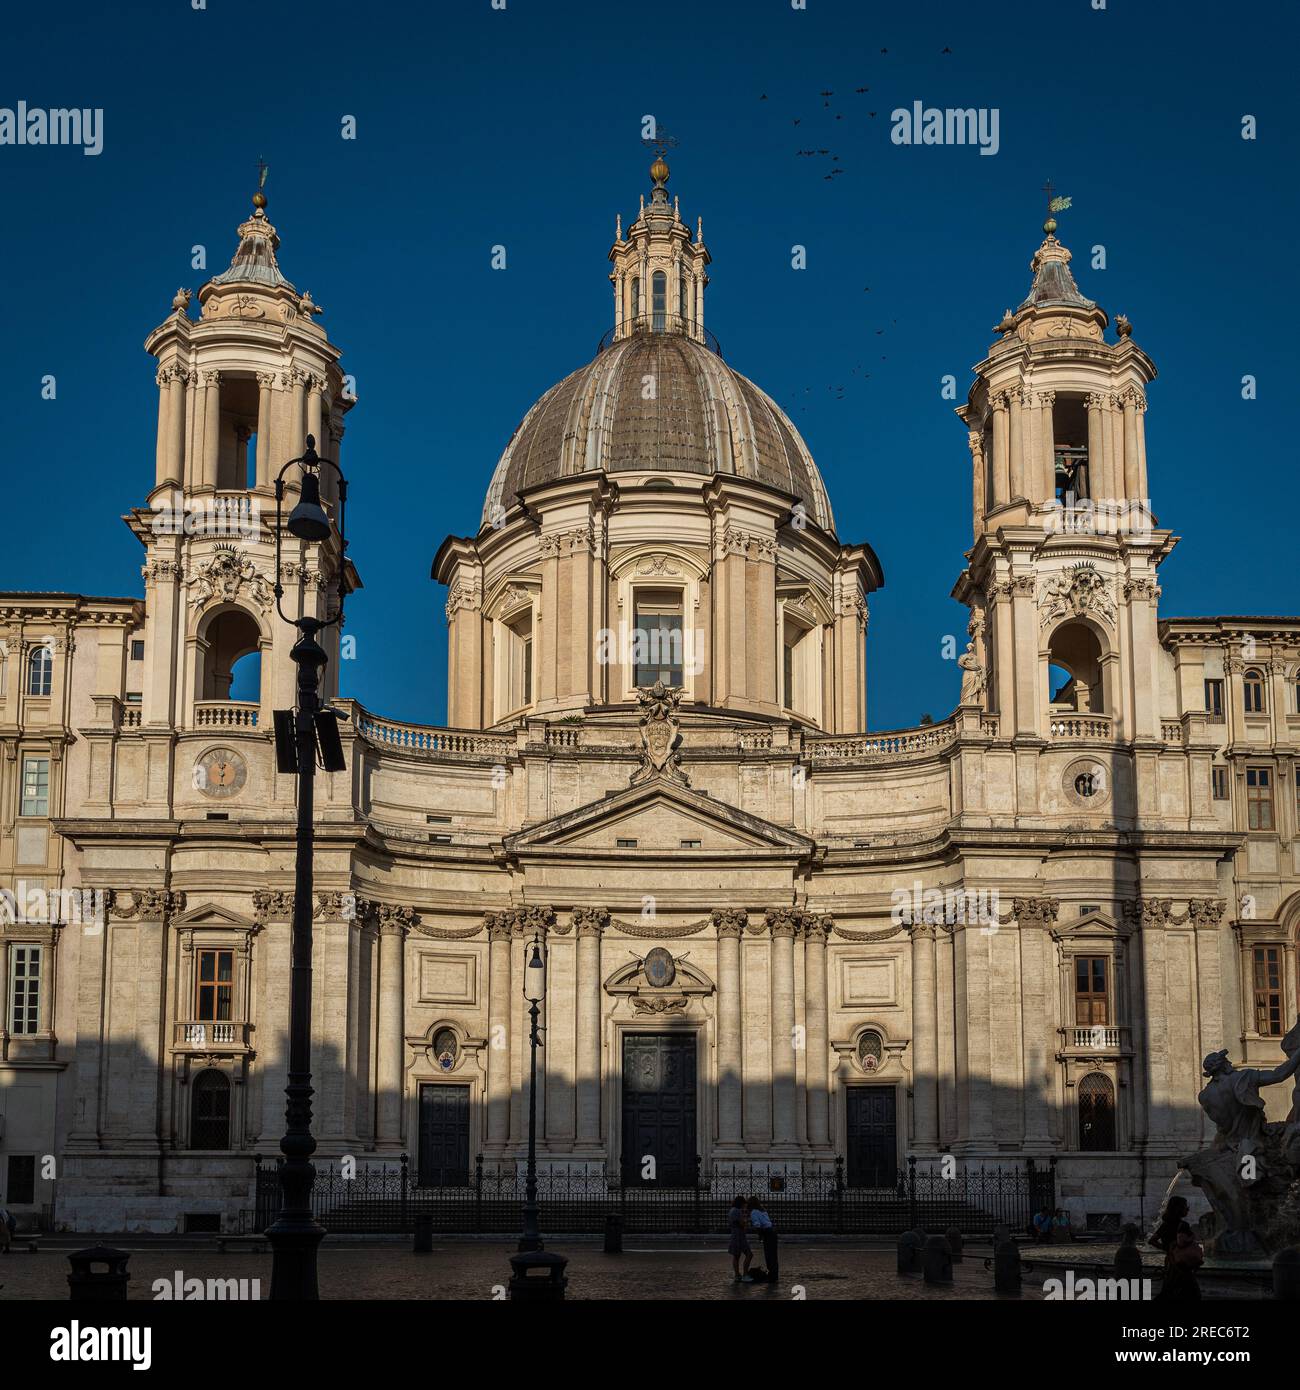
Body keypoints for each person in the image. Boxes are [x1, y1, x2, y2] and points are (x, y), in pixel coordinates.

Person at [747, 1199, 778, 1284]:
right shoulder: (763, 1210)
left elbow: (757, 1225)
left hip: (767, 1232)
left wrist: (760, 1236)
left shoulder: (753, 1212)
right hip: (772, 1232)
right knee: (773, 1255)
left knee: (769, 1255)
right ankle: (774, 1275)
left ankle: (771, 1276)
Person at [727, 1195, 753, 1283]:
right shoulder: (738, 1211)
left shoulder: (731, 1210)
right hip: (740, 1235)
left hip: (734, 1235)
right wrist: (746, 1221)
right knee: (749, 1254)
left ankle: (737, 1275)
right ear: (741, 1203)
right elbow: (742, 1223)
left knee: (736, 1256)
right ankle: (745, 1275)